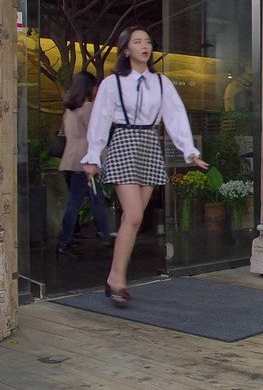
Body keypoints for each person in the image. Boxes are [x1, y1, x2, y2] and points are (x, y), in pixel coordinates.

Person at [82, 25, 208, 306]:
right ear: (126, 49)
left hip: (149, 145)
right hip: (124, 143)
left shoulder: (161, 82)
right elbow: (100, 119)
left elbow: (175, 115)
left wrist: (189, 151)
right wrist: (92, 156)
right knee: (135, 215)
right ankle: (117, 280)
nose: (144, 46)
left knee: (132, 220)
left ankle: (114, 278)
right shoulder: (112, 83)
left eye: (147, 42)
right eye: (137, 42)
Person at [57, 71, 112, 260]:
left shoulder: (69, 109)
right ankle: (65, 242)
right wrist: (105, 158)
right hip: (84, 162)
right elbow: (95, 135)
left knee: (93, 198)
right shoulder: (88, 108)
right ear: (89, 87)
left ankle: (103, 233)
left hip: (69, 160)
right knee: (78, 202)